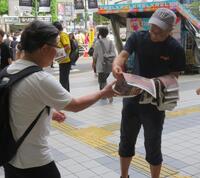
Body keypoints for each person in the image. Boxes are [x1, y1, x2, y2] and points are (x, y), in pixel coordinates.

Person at [3, 20, 115, 178]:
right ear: (44, 49)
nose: (58, 51)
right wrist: (103, 92)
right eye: (56, 46)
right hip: (34, 161)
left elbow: (17, 105)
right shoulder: (39, 78)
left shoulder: (8, 71)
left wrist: (48, 113)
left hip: (10, 156)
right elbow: (75, 105)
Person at [112, 8, 186, 178]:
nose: (154, 33)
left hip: (155, 103)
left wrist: (155, 82)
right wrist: (117, 65)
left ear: (170, 30)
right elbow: (122, 55)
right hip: (132, 100)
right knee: (126, 140)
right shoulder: (138, 37)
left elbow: (174, 76)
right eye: (152, 27)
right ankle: (124, 176)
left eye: (159, 31)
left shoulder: (175, 48)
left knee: (153, 144)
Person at [92, 27, 116, 103]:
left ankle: (109, 95)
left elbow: (95, 55)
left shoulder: (98, 42)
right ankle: (103, 96)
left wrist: (94, 63)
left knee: (102, 81)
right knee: (103, 80)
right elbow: (114, 53)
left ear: (100, 33)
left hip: (101, 65)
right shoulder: (110, 42)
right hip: (109, 64)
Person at [53, 21, 71, 91]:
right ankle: (67, 95)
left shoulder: (63, 35)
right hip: (63, 61)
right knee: (65, 80)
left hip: (65, 61)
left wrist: (59, 54)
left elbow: (67, 47)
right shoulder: (60, 35)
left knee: (63, 81)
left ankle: (65, 97)